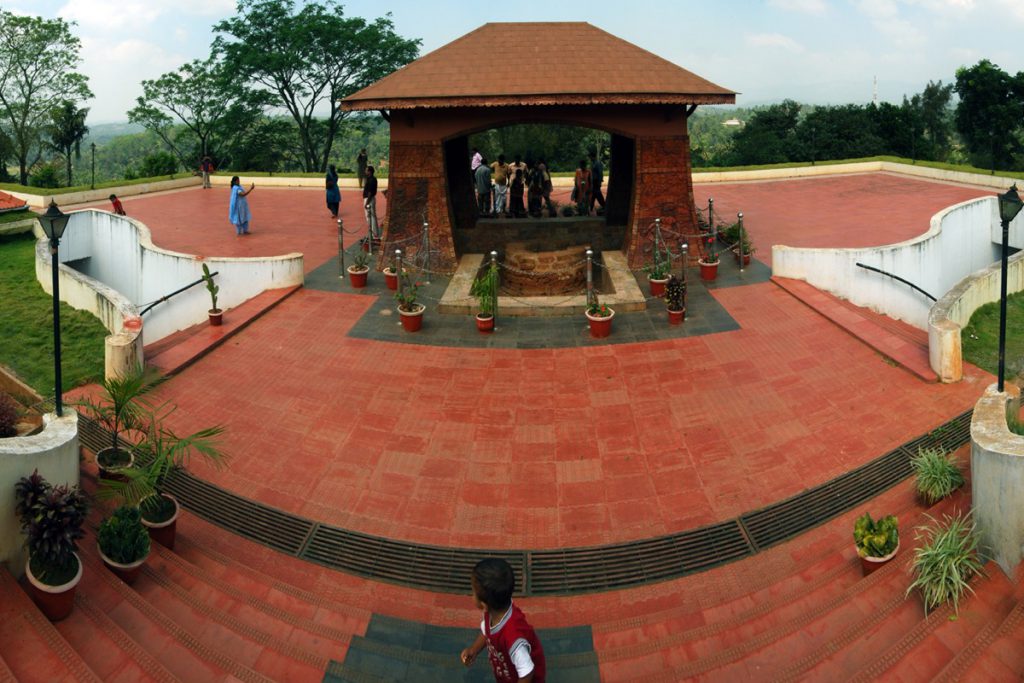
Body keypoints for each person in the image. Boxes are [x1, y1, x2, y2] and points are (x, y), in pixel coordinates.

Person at [460, 558, 545, 682]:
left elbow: (527, 673)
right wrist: (474, 649)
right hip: (507, 673)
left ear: (484, 605)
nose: (471, 595)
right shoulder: (493, 612)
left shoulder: (513, 637)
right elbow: (487, 632)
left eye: (473, 592)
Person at [363, 165, 380, 239]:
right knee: (371, 216)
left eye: (366, 170)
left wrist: (367, 203)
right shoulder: (371, 179)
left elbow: (370, 192)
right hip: (369, 199)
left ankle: (374, 233)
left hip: (369, 199)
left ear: (369, 172)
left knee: (370, 216)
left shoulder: (371, 180)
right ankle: (373, 232)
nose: (365, 172)